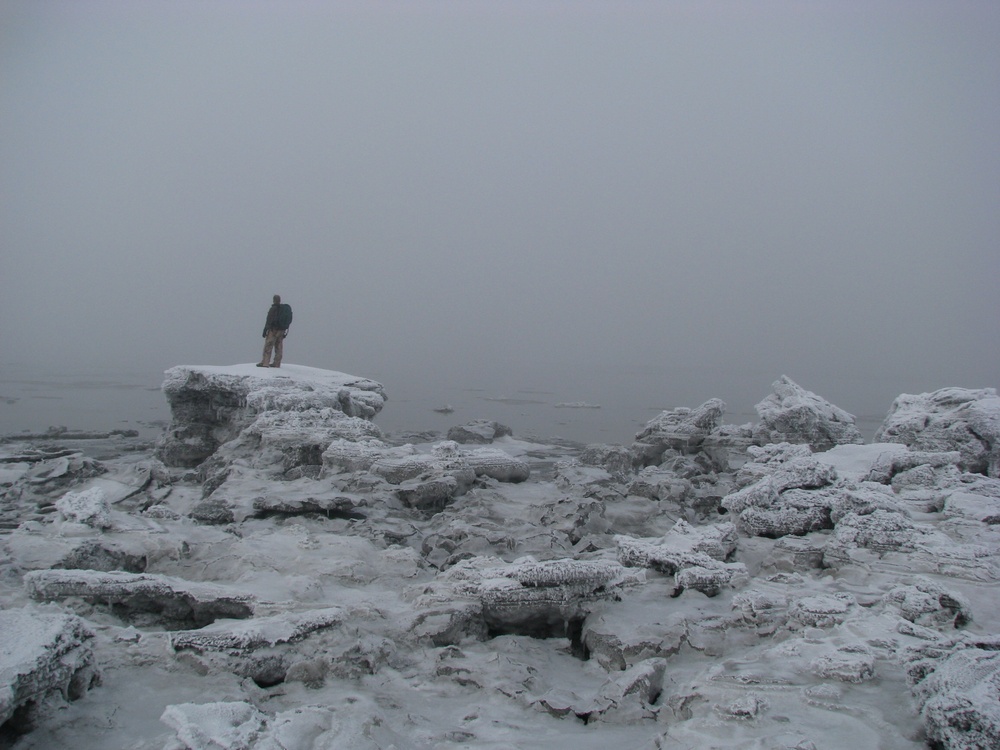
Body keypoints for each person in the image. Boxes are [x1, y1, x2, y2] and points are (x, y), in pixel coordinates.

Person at [257, 294, 292, 368]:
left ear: (274, 300)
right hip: (282, 330)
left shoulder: (273, 309)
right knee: (279, 346)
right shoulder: (283, 309)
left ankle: (265, 363)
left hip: (273, 330)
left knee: (268, 345)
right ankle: (277, 363)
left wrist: (265, 330)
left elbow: (269, 320)